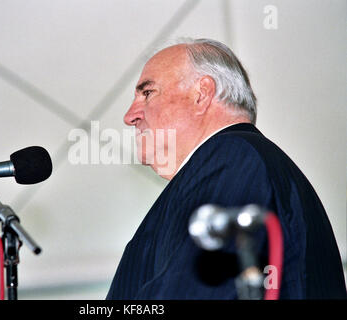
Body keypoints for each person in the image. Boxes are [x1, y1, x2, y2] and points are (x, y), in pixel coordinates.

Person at [106, 38, 346, 299]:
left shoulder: (234, 155)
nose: (129, 116)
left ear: (202, 93)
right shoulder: (236, 161)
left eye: (147, 93)